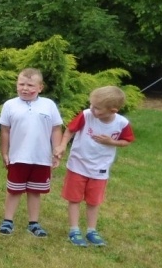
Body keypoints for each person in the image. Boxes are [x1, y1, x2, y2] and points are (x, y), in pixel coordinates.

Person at [55, 86, 134, 247]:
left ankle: (91, 230)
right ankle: (74, 230)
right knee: (74, 198)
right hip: (78, 164)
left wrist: (111, 142)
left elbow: (127, 141)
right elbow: (70, 130)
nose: (91, 108)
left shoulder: (122, 123)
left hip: (100, 169)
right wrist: (62, 145)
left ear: (112, 110)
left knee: (93, 201)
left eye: (97, 108)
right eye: (91, 104)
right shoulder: (86, 115)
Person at [0, 68, 63, 237]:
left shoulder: (48, 105)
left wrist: (57, 150)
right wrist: (4, 152)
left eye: (30, 85)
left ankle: (33, 223)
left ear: (40, 87)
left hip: (41, 157)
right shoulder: (10, 105)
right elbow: (5, 131)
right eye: (21, 84)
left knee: (35, 191)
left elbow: (56, 128)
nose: (25, 88)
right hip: (18, 156)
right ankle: (7, 221)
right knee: (14, 190)